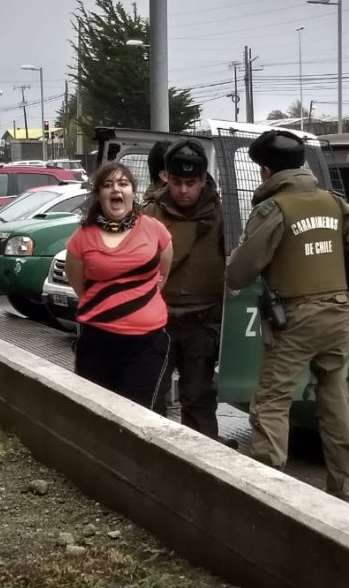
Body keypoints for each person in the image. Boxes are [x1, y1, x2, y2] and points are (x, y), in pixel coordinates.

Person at [225, 130, 349, 499]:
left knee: (272, 401)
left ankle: (267, 490)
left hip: (295, 317)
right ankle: (343, 484)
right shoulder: (334, 202)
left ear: (264, 171)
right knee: (335, 396)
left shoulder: (274, 210)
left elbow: (240, 271)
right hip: (338, 312)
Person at [65, 161, 174, 408]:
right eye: (108, 185)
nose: (116, 189)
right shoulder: (82, 238)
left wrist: (139, 302)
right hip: (97, 341)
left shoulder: (154, 230)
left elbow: (162, 275)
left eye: (123, 184)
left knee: (141, 414)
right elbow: (79, 285)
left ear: (132, 192)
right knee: (97, 411)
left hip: (147, 343)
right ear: (98, 195)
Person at [142, 140, 230, 444]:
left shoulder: (221, 216)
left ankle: (207, 463)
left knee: (200, 399)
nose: (183, 190)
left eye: (191, 183)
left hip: (201, 324)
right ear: (166, 177)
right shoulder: (149, 214)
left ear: (204, 180)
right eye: (177, 182)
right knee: (152, 396)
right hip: (158, 323)